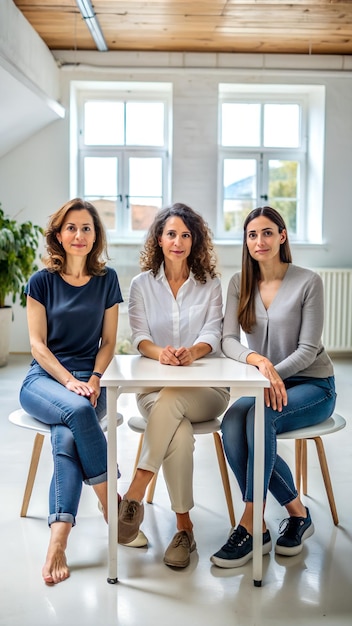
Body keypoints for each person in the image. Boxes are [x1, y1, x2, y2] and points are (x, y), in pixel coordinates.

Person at [19, 198, 145, 586]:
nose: (79, 235)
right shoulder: (41, 282)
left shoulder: (107, 281)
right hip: (43, 379)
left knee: (66, 437)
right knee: (77, 412)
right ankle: (113, 506)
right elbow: (38, 346)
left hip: (91, 380)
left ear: (96, 236)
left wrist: (92, 378)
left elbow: (109, 342)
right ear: (59, 235)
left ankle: (58, 539)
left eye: (86, 228)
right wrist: (68, 382)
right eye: (71, 228)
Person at [211, 206, 336, 569]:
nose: (259, 241)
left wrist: (270, 374)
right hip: (266, 379)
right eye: (252, 235)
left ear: (282, 236)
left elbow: (308, 349)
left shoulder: (308, 281)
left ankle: (251, 524)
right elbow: (227, 341)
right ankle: (298, 513)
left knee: (259, 419)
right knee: (232, 423)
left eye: (267, 232)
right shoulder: (239, 283)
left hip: (314, 384)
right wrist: (259, 363)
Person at [118, 202, 230, 568]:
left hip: (208, 393)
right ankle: (185, 528)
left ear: (195, 241)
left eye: (186, 234)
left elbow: (214, 332)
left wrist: (195, 352)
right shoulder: (140, 285)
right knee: (177, 432)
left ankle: (136, 488)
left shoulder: (210, 284)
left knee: (176, 400)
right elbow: (139, 336)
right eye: (171, 234)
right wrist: (160, 353)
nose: (178, 241)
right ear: (159, 239)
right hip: (154, 393)